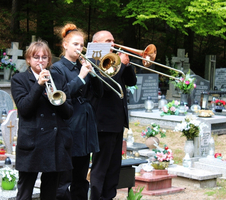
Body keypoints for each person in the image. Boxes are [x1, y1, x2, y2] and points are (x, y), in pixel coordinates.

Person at [11, 40, 73, 200]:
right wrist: (38, 85)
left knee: (50, 192)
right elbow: (24, 109)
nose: (40, 60)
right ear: (28, 60)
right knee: (25, 192)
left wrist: (58, 99)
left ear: (49, 60)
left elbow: (68, 113)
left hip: (54, 144)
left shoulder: (58, 79)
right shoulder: (19, 79)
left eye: (44, 57)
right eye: (36, 57)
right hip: (32, 144)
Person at [52, 23, 103, 200]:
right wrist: (81, 76)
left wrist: (93, 73)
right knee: (66, 177)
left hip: (85, 125)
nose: (79, 48)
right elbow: (62, 95)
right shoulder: (58, 68)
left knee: (82, 176)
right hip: (69, 124)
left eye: (82, 45)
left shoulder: (83, 66)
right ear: (65, 45)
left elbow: (100, 93)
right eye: (75, 44)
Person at [89, 30, 137, 200]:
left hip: (117, 121)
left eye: (114, 40)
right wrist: (121, 65)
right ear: (96, 44)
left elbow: (131, 82)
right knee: (101, 167)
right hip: (102, 122)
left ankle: (109, 197)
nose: (113, 43)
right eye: (108, 40)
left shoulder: (115, 60)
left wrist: (128, 65)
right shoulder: (94, 60)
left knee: (114, 167)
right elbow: (105, 85)